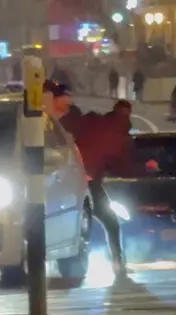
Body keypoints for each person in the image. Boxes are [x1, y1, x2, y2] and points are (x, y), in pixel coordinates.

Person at [43, 81, 131, 282]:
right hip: (58, 180)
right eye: (65, 96)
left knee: (109, 220)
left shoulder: (75, 120)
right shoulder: (43, 122)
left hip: (84, 180)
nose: (69, 100)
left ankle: (117, 259)